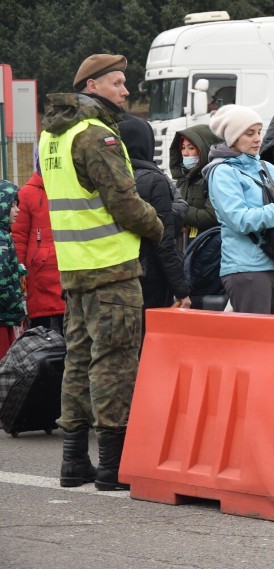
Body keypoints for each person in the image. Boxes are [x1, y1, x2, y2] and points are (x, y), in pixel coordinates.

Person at [38, 53, 164, 490]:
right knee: (115, 364)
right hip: (111, 267)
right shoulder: (96, 136)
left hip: (74, 268)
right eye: (117, 82)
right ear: (91, 87)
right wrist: (159, 224)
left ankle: (74, 462)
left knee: (78, 360)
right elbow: (125, 202)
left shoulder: (51, 135)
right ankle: (113, 465)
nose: (126, 90)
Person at [204, 104, 274, 315]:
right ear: (233, 137)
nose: (258, 138)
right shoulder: (222, 172)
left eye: (258, 132)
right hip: (245, 268)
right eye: (249, 133)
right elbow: (239, 219)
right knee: (256, 341)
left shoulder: (267, 168)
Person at [117, 115, 191, 328]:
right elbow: (163, 240)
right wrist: (181, 289)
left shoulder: (111, 178)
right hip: (151, 277)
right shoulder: (154, 179)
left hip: (117, 274)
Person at [11, 154, 65, 331]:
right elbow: (18, 238)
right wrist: (19, 274)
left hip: (65, 269)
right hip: (40, 276)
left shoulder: (66, 188)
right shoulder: (27, 194)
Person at [168, 125, 223, 246]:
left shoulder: (214, 177)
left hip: (207, 246)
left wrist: (177, 211)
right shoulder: (183, 179)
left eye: (191, 148)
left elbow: (212, 216)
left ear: (204, 149)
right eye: (182, 148)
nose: (185, 153)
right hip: (185, 246)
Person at [0, 180, 25, 360]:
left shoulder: (4, 236)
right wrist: (17, 306)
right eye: (13, 205)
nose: (17, 210)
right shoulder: (1, 239)